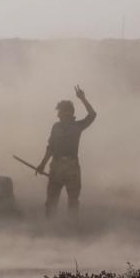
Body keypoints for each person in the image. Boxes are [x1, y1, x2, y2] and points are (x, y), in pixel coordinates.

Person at [35, 85, 96, 218]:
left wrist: (83, 99)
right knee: (51, 200)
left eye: (60, 112)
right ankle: (50, 227)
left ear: (68, 113)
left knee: (73, 201)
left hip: (71, 167)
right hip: (56, 166)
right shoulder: (56, 127)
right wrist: (42, 164)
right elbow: (50, 147)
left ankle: (71, 228)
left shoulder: (77, 126)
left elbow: (92, 115)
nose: (58, 114)